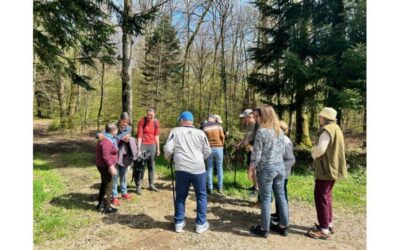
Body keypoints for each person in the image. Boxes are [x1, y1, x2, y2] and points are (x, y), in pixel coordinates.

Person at [164, 111, 212, 234]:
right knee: (201, 196)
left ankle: (179, 223)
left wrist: (169, 157)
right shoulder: (201, 133)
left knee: (180, 196)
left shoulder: (176, 131)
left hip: (182, 168)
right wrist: (200, 159)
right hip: (198, 169)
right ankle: (200, 224)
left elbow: (168, 148)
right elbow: (207, 151)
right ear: (192, 121)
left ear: (181, 120)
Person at [307, 107, 348, 240]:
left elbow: (320, 149)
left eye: (321, 116)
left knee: (321, 197)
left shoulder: (327, 130)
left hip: (326, 169)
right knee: (327, 196)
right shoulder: (336, 128)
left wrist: (313, 154)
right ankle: (328, 224)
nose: (319, 118)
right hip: (333, 168)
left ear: (325, 118)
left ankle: (324, 230)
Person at [248, 105, 289, 238]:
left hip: (266, 169)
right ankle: (283, 227)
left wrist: (251, 168)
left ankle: (264, 229)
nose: (255, 118)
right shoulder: (279, 130)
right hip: (280, 167)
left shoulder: (262, 131)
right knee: (281, 196)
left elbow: (256, 153)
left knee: (265, 199)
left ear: (263, 116)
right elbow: (282, 151)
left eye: (257, 116)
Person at [96, 112, 138, 205]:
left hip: (125, 154)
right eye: (124, 122)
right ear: (120, 120)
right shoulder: (113, 127)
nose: (125, 124)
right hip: (114, 155)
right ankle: (114, 196)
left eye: (127, 122)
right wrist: (98, 136)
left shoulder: (129, 128)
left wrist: (129, 139)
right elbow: (101, 135)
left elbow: (129, 139)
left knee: (123, 174)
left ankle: (124, 192)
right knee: (114, 176)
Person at [271, 121, 295, 221]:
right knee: (277, 194)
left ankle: (283, 217)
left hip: (282, 174)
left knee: (282, 195)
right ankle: (278, 214)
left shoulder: (286, 141)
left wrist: (279, 169)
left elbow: (291, 159)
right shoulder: (278, 139)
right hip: (277, 172)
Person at [95, 122, 119, 214]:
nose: (117, 131)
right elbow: (105, 156)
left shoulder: (107, 137)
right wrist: (111, 167)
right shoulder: (106, 141)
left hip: (103, 165)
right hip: (105, 166)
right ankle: (107, 207)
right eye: (116, 130)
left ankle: (100, 205)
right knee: (109, 185)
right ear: (113, 131)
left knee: (104, 184)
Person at [136, 108, 161, 193]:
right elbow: (139, 136)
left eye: (151, 115)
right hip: (143, 144)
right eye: (148, 115)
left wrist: (158, 148)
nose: (149, 117)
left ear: (154, 114)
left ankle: (151, 184)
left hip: (152, 145)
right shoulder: (142, 121)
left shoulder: (156, 122)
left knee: (151, 165)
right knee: (141, 165)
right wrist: (138, 149)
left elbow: (157, 135)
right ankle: (139, 185)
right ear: (146, 114)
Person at [236, 109, 258, 196]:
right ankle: (254, 185)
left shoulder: (256, 126)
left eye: (244, 117)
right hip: (248, 150)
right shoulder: (249, 125)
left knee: (253, 170)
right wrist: (240, 144)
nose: (243, 119)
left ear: (250, 116)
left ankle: (257, 189)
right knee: (251, 169)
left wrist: (252, 147)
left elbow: (258, 139)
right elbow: (246, 137)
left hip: (254, 151)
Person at [202, 114, 225, 194]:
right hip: (219, 148)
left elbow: (203, 139)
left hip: (209, 149)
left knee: (209, 168)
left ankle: (210, 188)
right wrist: (222, 144)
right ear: (213, 119)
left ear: (208, 119)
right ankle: (220, 188)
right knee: (219, 168)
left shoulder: (204, 127)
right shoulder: (218, 126)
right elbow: (222, 136)